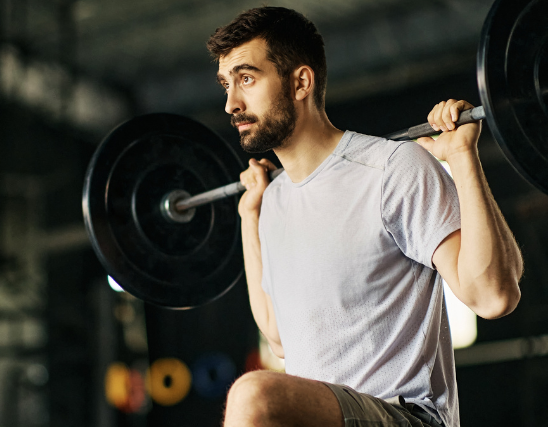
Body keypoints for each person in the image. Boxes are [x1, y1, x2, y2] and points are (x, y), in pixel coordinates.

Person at [206, 7, 522, 427]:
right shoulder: (276, 200)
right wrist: (251, 217)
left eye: (246, 79)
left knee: (252, 394)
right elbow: (279, 337)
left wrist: (462, 156)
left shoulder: (393, 169)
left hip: (405, 415)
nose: (231, 103)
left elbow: (494, 295)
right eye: (226, 84)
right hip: (326, 416)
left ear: (301, 82)